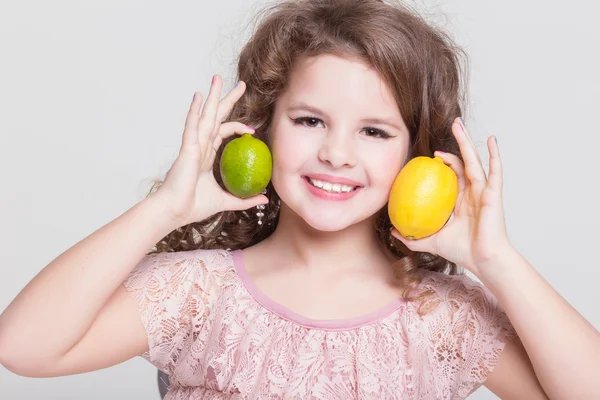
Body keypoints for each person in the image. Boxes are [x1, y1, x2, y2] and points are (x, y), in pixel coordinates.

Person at [1, 0, 599, 399]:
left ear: (417, 156)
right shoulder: (196, 293)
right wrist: (166, 208)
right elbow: (23, 348)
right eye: (310, 120)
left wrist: (498, 262)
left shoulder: (441, 315)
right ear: (262, 129)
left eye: (374, 131)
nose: (337, 154)